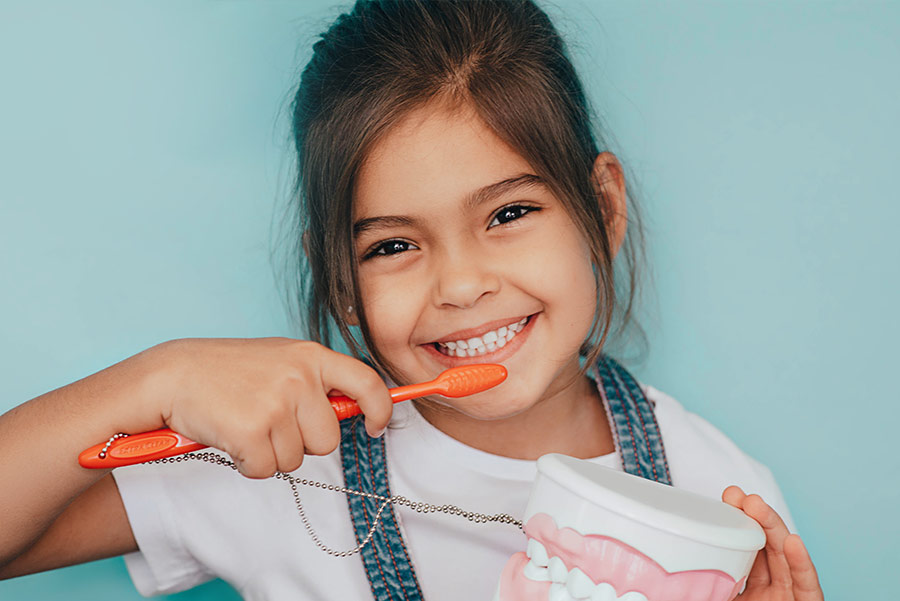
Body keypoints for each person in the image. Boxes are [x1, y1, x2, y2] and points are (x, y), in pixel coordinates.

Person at [0, 1, 823, 599]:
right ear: (339, 286)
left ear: (602, 208)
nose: (462, 285)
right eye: (392, 245)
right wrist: (155, 380)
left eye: (509, 213)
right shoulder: (279, 466)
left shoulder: (718, 497)